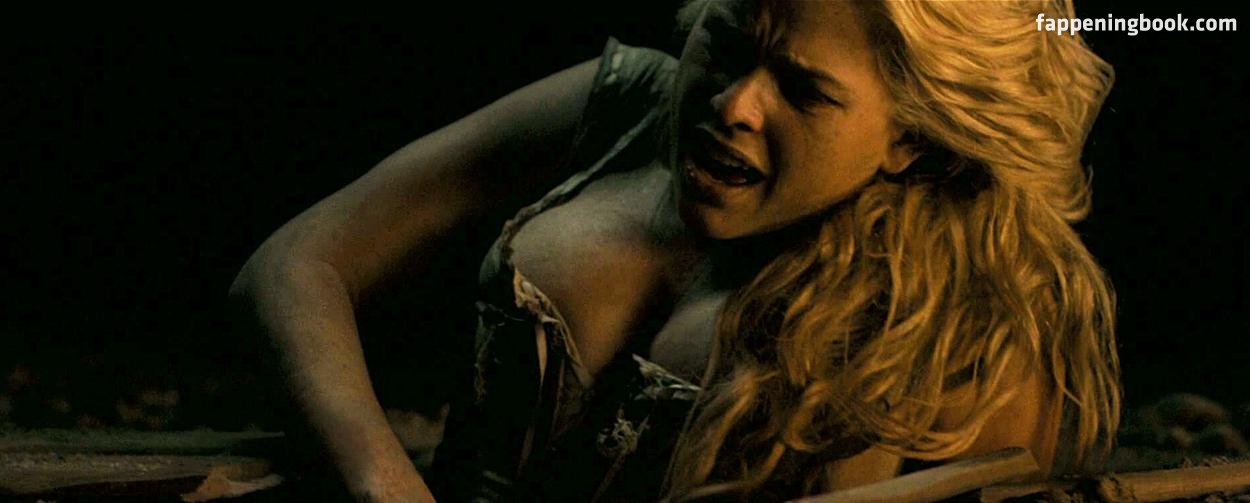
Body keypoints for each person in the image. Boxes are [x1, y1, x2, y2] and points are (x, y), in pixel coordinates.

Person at [229, 0, 1122, 501]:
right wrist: (381, 479)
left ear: (911, 139)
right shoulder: (626, 109)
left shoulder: (952, 314)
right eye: (726, 45)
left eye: (803, 90)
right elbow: (295, 263)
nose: (734, 103)